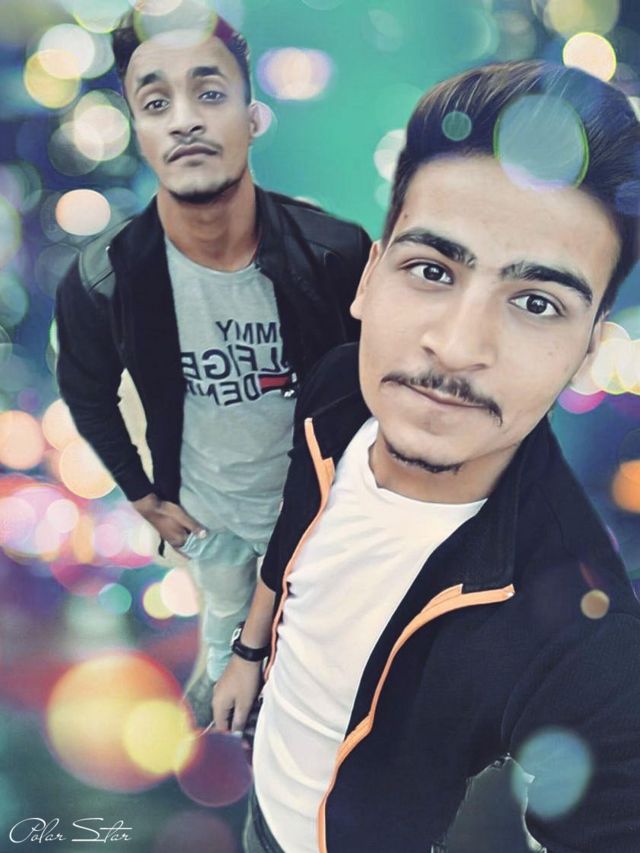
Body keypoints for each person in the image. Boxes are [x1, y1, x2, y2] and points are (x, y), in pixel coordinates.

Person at [213, 60, 640, 852]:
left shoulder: (583, 626)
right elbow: (293, 529)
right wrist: (248, 652)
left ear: (587, 349)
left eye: (537, 302)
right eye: (432, 270)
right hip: (257, 804)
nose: (456, 344)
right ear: (371, 278)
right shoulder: (339, 390)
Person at [54, 11, 370, 727]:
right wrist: (141, 495)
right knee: (231, 658)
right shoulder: (105, 277)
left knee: (326, 686)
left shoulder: (336, 254)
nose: (184, 120)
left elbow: (371, 400)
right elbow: (85, 392)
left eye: (210, 93)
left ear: (252, 115)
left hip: (320, 519)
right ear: (138, 131)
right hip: (210, 522)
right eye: (155, 102)